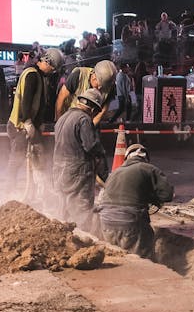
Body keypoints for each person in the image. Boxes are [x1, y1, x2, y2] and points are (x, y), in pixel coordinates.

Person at [98, 142, 174, 260]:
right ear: (145, 158)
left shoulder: (114, 173)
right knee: (143, 256)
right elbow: (167, 195)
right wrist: (152, 198)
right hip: (130, 222)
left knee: (118, 259)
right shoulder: (149, 168)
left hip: (106, 223)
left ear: (127, 158)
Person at [51, 88, 109, 233]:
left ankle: (63, 236)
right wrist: (102, 161)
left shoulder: (63, 118)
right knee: (81, 207)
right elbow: (91, 146)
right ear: (92, 108)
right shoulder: (84, 120)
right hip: (77, 170)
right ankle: (86, 239)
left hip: (58, 169)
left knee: (62, 205)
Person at [6, 46, 65, 186]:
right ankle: (10, 192)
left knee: (36, 157)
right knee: (17, 160)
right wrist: (27, 122)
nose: (52, 72)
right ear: (47, 62)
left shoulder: (38, 75)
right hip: (20, 126)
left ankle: (36, 192)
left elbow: (37, 103)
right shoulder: (32, 75)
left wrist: (38, 123)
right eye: (52, 69)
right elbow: (26, 101)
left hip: (28, 125)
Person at [55, 58, 117, 126]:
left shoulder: (110, 86)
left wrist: (90, 127)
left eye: (103, 87)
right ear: (94, 76)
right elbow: (61, 98)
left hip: (89, 121)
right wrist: (59, 123)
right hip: (68, 118)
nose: (99, 89)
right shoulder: (78, 75)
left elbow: (102, 112)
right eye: (99, 85)